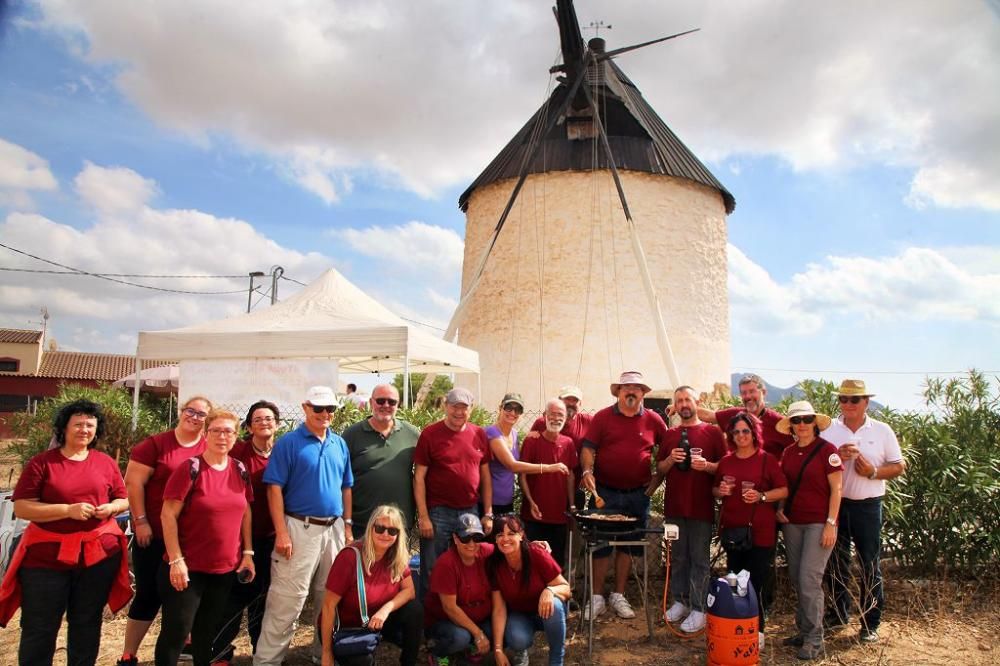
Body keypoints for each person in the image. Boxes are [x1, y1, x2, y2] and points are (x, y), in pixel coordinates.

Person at [0, 400, 131, 665]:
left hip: (97, 557)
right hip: (45, 559)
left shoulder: (105, 463)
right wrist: (66, 510)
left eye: (90, 425)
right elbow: (23, 508)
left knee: (87, 623)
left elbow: (123, 499)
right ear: (64, 428)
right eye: (78, 424)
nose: (84, 430)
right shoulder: (42, 463)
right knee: (40, 626)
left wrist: (111, 507)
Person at [254, 386, 354, 666]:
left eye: (330, 409)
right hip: (299, 528)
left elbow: (346, 487)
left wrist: (347, 527)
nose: (325, 414)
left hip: (333, 530)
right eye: (319, 408)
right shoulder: (289, 443)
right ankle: (267, 662)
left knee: (329, 596)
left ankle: (321, 655)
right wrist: (282, 533)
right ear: (305, 407)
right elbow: (274, 489)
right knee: (288, 599)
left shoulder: (339, 444)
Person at [118, 395, 212, 666]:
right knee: (148, 595)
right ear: (181, 412)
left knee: (188, 598)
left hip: (192, 541)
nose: (194, 417)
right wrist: (141, 521)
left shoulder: (209, 446)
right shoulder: (156, 445)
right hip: (155, 535)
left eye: (201, 414)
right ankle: (129, 653)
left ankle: (183, 648)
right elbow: (133, 484)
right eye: (190, 411)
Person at [156, 409, 255, 666]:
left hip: (224, 568)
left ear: (236, 436)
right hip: (189, 569)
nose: (223, 436)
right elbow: (168, 515)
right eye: (216, 430)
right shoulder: (190, 468)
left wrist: (248, 554)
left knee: (206, 632)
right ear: (206, 433)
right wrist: (176, 560)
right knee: (176, 633)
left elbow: (245, 511)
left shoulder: (240, 469)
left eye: (229, 431)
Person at [579, 371, 668, 620]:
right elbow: (588, 448)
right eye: (626, 386)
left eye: (636, 387)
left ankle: (618, 595)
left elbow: (667, 449)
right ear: (618, 391)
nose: (631, 391)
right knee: (601, 544)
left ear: (643, 393)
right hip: (605, 493)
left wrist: (656, 480)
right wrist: (587, 470)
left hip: (638, 495)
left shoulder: (654, 420)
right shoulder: (602, 417)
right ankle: (596, 598)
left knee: (629, 545)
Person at [822, 379, 905, 643]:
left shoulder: (882, 430)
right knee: (835, 563)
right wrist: (836, 456)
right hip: (836, 505)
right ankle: (837, 615)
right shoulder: (828, 430)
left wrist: (874, 472)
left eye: (854, 400)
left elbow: (899, 465)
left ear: (866, 402)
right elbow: (817, 465)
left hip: (869, 506)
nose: (847, 404)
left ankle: (870, 623)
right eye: (843, 399)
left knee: (870, 564)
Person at [212, 400, 280, 663]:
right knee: (234, 597)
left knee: (264, 600)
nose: (264, 423)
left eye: (269, 418)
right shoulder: (238, 452)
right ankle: (219, 652)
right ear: (249, 426)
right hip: (240, 539)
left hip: (274, 537)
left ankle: (261, 653)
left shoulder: (282, 451)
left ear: (277, 423)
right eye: (258, 419)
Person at [655, 386, 727, 633]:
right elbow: (660, 469)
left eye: (688, 399)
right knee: (678, 557)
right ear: (675, 406)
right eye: (679, 401)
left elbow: (725, 468)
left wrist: (706, 466)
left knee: (699, 560)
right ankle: (680, 601)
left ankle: (699, 608)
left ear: (697, 401)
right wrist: (669, 460)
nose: (684, 404)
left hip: (701, 508)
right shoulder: (670, 434)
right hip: (675, 508)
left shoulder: (712, 433)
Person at [775, 401, 843, 661]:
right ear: (790, 425)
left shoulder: (828, 451)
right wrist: (780, 507)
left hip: (818, 523)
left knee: (809, 580)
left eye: (806, 419)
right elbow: (786, 485)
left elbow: (837, 489)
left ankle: (815, 639)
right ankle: (803, 631)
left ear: (815, 422)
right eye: (796, 420)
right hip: (793, 522)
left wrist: (831, 523)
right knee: (796, 577)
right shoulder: (789, 452)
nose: (801, 424)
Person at [713, 412, 788, 648]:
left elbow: (784, 490)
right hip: (733, 531)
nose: (741, 436)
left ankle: (758, 630)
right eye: (736, 432)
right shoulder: (726, 461)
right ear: (731, 436)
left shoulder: (766, 460)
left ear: (754, 433)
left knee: (756, 582)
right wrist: (721, 491)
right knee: (735, 581)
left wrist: (762, 496)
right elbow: (715, 490)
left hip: (761, 531)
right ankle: (739, 627)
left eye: (745, 431)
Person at [319, 505, 423, 666]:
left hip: (376, 621)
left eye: (392, 531)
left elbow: (409, 591)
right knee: (363, 661)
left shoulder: (397, 556)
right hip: (348, 629)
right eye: (380, 528)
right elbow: (328, 606)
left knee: (414, 610)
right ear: (371, 528)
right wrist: (326, 653)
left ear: (398, 534)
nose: (385, 534)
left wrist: (385, 609)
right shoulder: (349, 558)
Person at [413, 388, 493, 597]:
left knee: (469, 567)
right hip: (438, 513)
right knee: (433, 569)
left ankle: (460, 617)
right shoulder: (430, 434)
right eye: (454, 406)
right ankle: (430, 623)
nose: (459, 412)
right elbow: (419, 477)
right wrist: (423, 517)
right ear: (445, 406)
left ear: (471, 409)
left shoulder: (479, 434)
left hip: (471, 511)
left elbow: (485, 477)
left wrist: (488, 512)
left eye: (463, 407)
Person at [488, 514, 572, 666]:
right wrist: (498, 649)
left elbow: (566, 588)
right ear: (495, 539)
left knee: (555, 605)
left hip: (547, 612)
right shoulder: (495, 564)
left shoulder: (536, 553)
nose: (505, 539)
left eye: (511, 533)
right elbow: (499, 609)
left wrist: (550, 591)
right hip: (520, 614)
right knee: (517, 638)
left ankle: (556, 660)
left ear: (521, 535)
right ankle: (521, 651)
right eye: (500, 535)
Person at [343, 384, 419, 530]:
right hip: (362, 526)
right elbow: (341, 481)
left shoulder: (412, 434)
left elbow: (422, 475)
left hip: (399, 527)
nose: (386, 405)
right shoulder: (352, 435)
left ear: (398, 404)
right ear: (371, 402)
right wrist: (346, 523)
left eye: (391, 402)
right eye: (380, 401)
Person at [423, 513, 494, 665]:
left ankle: (469, 649)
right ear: (455, 539)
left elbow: (510, 547)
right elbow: (450, 608)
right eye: (465, 538)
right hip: (445, 620)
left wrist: (533, 545)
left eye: (476, 537)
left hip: (478, 616)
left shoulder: (486, 552)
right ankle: (438, 652)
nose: (471, 543)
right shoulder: (446, 564)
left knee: (499, 629)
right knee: (460, 637)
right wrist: (478, 633)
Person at [485, 392, 569, 516]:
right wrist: (549, 467)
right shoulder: (492, 433)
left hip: (506, 502)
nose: (513, 413)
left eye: (517, 409)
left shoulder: (514, 434)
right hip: (490, 504)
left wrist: (529, 436)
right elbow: (512, 465)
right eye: (508, 407)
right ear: (500, 408)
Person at [519, 398, 577, 569]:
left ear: (566, 418)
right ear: (544, 416)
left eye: (561, 415)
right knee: (531, 560)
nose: (556, 418)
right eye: (552, 414)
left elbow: (571, 476)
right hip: (533, 515)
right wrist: (530, 502)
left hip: (558, 516)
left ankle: (554, 595)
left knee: (555, 562)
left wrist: (572, 505)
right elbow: (522, 474)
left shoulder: (568, 443)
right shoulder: (532, 441)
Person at [698, 374, 794, 458]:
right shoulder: (735, 415)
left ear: (763, 392)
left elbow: (792, 453)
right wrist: (687, 405)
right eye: (744, 393)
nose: (748, 396)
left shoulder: (779, 423)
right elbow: (708, 415)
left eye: (752, 391)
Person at [529, 385, 593, 506]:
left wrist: (588, 472)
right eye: (567, 399)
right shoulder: (542, 423)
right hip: (546, 487)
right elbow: (531, 450)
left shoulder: (588, 422)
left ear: (580, 404)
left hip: (574, 486)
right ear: (559, 401)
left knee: (572, 520)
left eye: (575, 400)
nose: (571, 403)